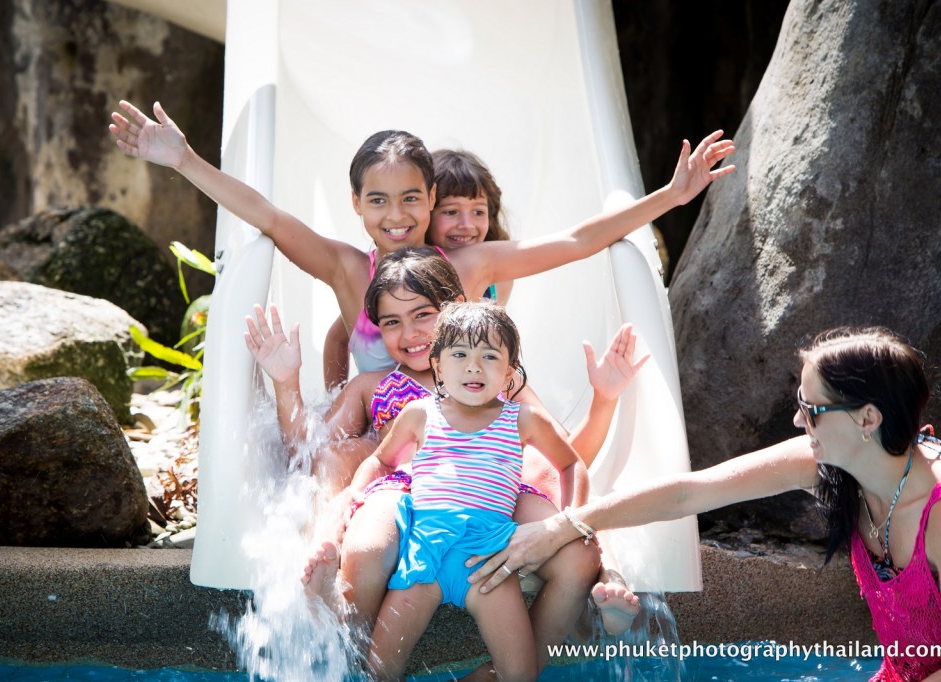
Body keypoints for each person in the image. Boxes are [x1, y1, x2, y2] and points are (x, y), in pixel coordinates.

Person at [467, 326, 941, 681]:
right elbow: (691, 492)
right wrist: (567, 524)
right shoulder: (834, 465)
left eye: (812, 411)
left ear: (868, 419)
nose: (799, 423)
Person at [110, 100, 734, 378]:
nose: (396, 214)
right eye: (377, 200)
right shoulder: (347, 271)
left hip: (455, 441)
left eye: (412, 198)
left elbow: (575, 240)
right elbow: (268, 217)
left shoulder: (468, 265)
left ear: (431, 200)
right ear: (355, 204)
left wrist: (670, 197)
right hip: (383, 442)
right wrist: (186, 160)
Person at [246, 247, 644, 674]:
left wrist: (604, 401)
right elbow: (308, 449)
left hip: (494, 493)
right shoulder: (376, 386)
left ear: (455, 312)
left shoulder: (497, 382)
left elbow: (568, 455)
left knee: (578, 552)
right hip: (408, 491)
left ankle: (584, 602)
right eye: (392, 322)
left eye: (423, 315)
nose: (411, 332)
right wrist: (286, 383)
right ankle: (339, 626)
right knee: (363, 544)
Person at [358, 300, 584, 680]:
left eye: (490, 356)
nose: (474, 366)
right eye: (459, 354)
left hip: (489, 562)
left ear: (510, 373)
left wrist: (574, 518)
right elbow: (381, 461)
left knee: (520, 675)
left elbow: (570, 462)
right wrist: (357, 496)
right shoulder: (420, 413)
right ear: (438, 365)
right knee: (379, 672)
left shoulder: (521, 419)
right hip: (423, 556)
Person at [321, 147, 513, 389]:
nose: (466, 225)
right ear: (428, 211)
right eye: (451, 212)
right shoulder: (404, 283)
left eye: (478, 212)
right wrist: (337, 397)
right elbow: (337, 339)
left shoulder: (496, 280)